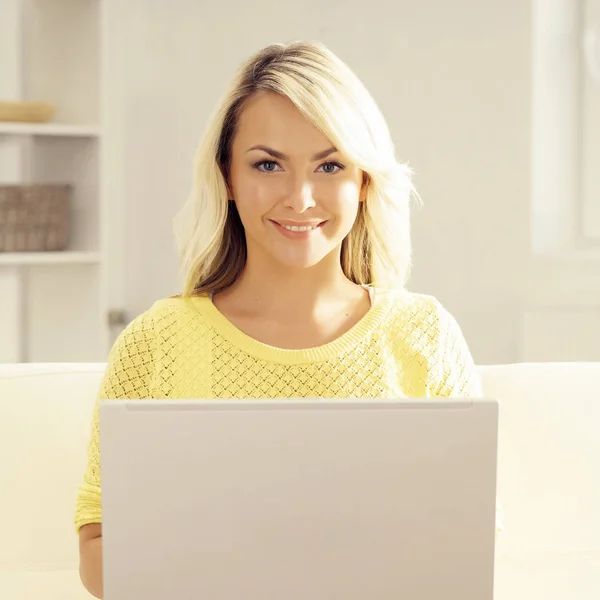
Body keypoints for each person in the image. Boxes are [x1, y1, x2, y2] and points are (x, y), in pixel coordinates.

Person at [75, 40, 499, 599]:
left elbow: (468, 544)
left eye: (329, 165)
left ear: (364, 182)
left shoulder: (424, 335)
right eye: (268, 164)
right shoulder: (157, 341)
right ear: (226, 176)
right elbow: (99, 547)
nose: (300, 198)